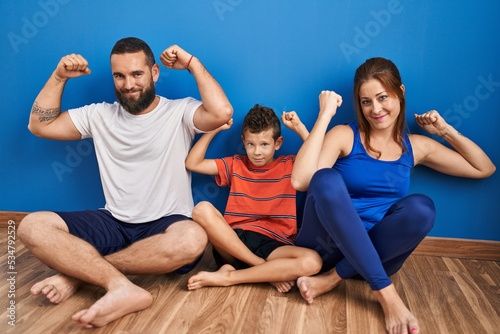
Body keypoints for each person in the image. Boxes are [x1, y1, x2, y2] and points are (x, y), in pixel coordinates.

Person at [18, 37, 233, 328]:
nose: (128, 84)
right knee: (32, 225)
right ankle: (121, 287)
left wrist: (192, 63)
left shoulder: (180, 111)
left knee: (193, 238)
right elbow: (39, 125)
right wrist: (59, 77)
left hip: (168, 223)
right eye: (119, 76)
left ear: (154, 73)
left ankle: (79, 274)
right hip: (113, 221)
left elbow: (222, 113)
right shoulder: (99, 114)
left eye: (136, 74)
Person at [290, 57, 496, 334]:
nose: (375, 109)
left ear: (400, 91)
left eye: (383, 97)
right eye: (366, 102)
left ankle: (332, 279)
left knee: (422, 207)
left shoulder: (417, 147)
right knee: (325, 179)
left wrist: (444, 130)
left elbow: (483, 168)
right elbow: (301, 180)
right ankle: (385, 293)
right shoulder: (344, 135)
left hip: (377, 255)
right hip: (322, 248)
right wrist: (325, 115)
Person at [185, 105, 322, 293]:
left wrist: (300, 128)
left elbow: (320, 164)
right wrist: (214, 129)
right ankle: (262, 270)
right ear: (244, 141)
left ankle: (230, 276)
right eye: (251, 144)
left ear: (278, 143)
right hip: (234, 242)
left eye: (264, 144)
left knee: (313, 261)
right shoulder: (236, 164)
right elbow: (193, 163)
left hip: (275, 244)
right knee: (201, 210)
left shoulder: (291, 165)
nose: (257, 152)